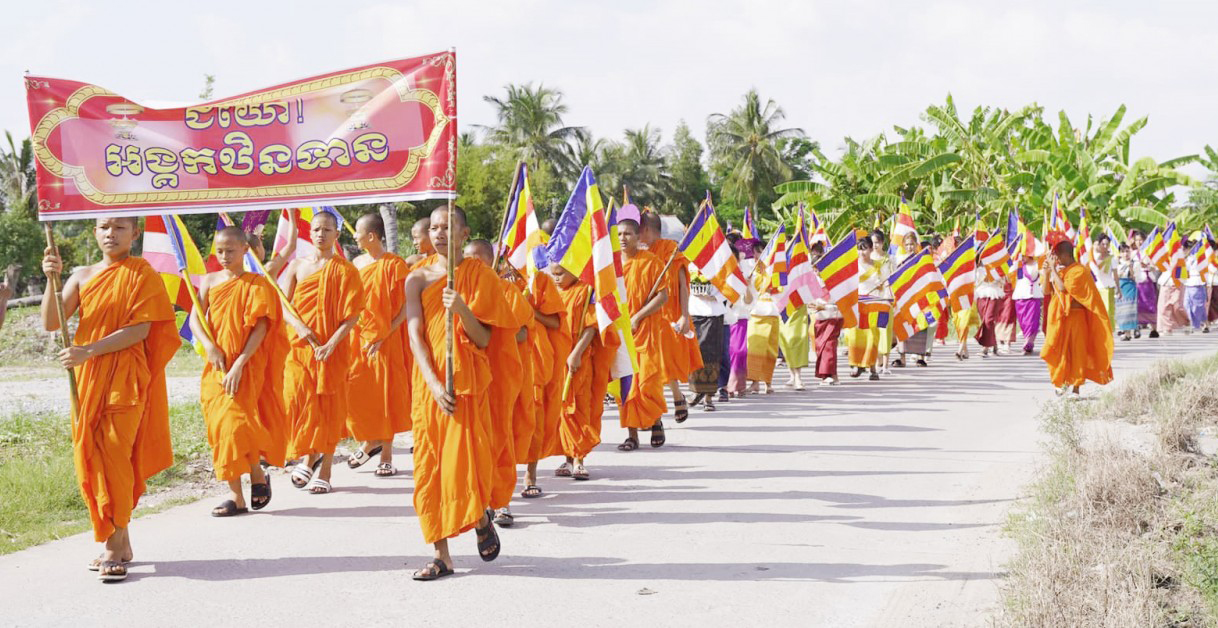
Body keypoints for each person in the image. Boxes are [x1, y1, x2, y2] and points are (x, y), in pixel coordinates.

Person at [40, 217, 179, 582]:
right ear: (94, 232)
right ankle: (122, 540)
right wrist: (50, 279)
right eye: (103, 227)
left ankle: (113, 547)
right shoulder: (82, 275)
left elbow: (142, 328)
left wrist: (91, 350)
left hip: (124, 378)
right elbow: (53, 322)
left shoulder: (141, 273)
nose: (110, 234)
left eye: (119, 228)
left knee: (115, 454)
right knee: (93, 454)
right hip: (87, 381)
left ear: (135, 233)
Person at [404, 206, 517, 580]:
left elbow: (485, 339)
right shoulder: (416, 279)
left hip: (467, 383)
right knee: (431, 466)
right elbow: (415, 337)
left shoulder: (479, 276)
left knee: (463, 464)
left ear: (464, 233)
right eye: (434, 228)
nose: (439, 234)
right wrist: (434, 384)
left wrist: (463, 308)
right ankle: (442, 556)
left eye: (448, 228)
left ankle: (480, 514)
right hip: (430, 385)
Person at [191, 226, 288, 517]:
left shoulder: (258, 284)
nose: (224, 256)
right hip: (217, 363)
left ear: (245, 250)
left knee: (238, 423)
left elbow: (262, 327)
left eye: (230, 251)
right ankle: (238, 494)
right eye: (219, 251)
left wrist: (240, 363)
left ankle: (254, 474)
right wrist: (209, 346)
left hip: (246, 363)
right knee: (222, 427)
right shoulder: (208, 281)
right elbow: (196, 319)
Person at [281, 211, 363, 494]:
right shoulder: (297, 267)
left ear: (336, 235)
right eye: (316, 229)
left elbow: (352, 315)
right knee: (299, 400)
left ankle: (325, 469)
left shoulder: (345, 270)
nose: (321, 234)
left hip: (333, 350)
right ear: (310, 232)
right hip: (301, 350)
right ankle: (308, 455)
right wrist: (299, 326)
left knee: (329, 408)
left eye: (327, 230)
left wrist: (332, 344)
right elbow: (283, 304)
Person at [463, 239, 532, 527]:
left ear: (492, 262)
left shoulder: (508, 293)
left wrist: (493, 327)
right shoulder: (454, 293)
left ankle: (502, 502)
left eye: (478, 260)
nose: (472, 266)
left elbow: (522, 334)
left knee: (500, 439)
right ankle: (477, 502)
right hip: (467, 377)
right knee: (473, 444)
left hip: (499, 378)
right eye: (468, 260)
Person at [345, 214, 411, 478]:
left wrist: (385, 333)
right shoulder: (357, 263)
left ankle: (386, 455)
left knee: (386, 393)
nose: (354, 236)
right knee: (359, 390)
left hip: (387, 338)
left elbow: (406, 306)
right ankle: (369, 440)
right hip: (358, 336)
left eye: (358, 232)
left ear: (371, 236)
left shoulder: (395, 265)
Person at [552, 262, 613, 480]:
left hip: (579, 359)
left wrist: (576, 353)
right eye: (553, 275)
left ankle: (579, 459)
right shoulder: (553, 293)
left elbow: (591, 327)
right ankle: (567, 458)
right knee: (561, 408)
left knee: (579, 406)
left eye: (560, 274)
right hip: (557, 359)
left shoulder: (584, 291)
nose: (557, 279)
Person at [639, 212, 702, 422]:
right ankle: (658, 409)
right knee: (650, 363)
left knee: (666, 360)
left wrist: (684, 315)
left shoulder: (670, 250)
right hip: (647, 313)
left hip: (670, 314)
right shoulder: (640, 253)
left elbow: (683, 285)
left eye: (638, 231)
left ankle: (677, 397)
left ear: (646, 230)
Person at [616, 218, 670, 451]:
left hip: (645, 331)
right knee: (626, 385)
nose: (622, 238)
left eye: (628, 234)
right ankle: (632, 435)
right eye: (619, 234)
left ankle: (656, 420)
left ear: (639, 237)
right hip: (621, 335)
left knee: (647, 383)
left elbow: (662, 295)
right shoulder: (612, 267)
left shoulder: (651, 262)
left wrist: (638, 317)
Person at [1040, 231, 1113, 397]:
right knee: (1057, 350)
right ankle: (1061, 382)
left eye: (1056, 256)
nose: (1055, 260)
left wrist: (1053, 269)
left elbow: (1065, 289)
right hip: (1059, 319)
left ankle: (1076, 387)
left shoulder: (1079, 271)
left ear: (1064, 256)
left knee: (1077, 351)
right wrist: (1046, 273)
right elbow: (1046, 291)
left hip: (1076, 317)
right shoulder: (1061, 271)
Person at [848, 233, 892, 380]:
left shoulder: (879, 266)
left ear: (871, 249)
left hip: (873, 304)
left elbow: (887, 283)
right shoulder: (853, 266)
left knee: (872, 336)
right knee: (856, 336)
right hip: (858, 305)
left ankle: (872, 368)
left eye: (865, 249)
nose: (862, 252)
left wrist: (881, 286)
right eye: (859, 249)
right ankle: (857, 365)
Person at [892, 233, 934, 368]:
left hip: (919, 297)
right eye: (907, 244)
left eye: (912, 244)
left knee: (921, 324)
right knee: (903, 326)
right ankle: (902, 357)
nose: (910, 247)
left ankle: (921, 357)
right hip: (904, 298)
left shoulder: (921, 259)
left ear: (916, 245)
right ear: (904, 245)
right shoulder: (900, 261)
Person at [688, 277, 727, 409]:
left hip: (714, 314)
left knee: (713, 356)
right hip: (693, 312)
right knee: (694, 353)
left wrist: (713, 297)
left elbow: (731, 286)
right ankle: (696, 390)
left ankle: (708, 397)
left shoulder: (722, 262)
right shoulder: (690, 263)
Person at [808, 242, 842, 384]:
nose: (818, 273)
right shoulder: (811, 283)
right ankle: (825, 374)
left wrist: (826, 306)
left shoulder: (833, 280)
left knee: (829, 346)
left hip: (833, 316)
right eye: (815, 270)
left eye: (820, 269)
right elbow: (809, 301)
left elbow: (839, 299)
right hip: (819, 318)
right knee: (821, 346)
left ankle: (832, 375)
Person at [1129, 229, 1158, 338]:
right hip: (1136, 281)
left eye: (1141, 240)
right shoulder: (1132, 254)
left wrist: (1148, 266)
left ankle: (1154, 329)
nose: (1139, 242)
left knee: (1150, 304)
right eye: (1137, 240)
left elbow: (1156, 267)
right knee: (1136, 305)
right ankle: (1136, 328)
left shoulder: (1150, 252)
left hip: (1148, 281)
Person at [1012, 254, 1043, 354]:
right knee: (1023, 321)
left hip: (1033, 296)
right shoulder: (1018, 264)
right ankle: (1028, 340)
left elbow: (1044, 274)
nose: (1022, 257)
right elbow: (1009, 271)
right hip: (1020, 295)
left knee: (1032, 321)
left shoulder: (1038, 264)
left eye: (1024, 255)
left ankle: (1028, 343)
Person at [974, 268, 1006, 358]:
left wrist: (994, 276)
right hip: (981, 294)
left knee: (989, 320)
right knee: (985, 322)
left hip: (994, 293)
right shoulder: (976, 265)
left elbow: (1002, 281)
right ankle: (994, 345)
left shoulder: (997, 262)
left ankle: (985, 348)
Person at [1157, 246, 1188, 335]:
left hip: (1177, 283)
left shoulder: (1179, 253)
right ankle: (1167, 328)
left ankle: (1186, 322)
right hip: (1166, 283)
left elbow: (1182, 270)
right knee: (1163, 307)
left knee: (1177, 307)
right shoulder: (1163, 250)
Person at [1090, 235, 1118, 333]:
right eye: (1103, 244)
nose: (1105, 246)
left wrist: (1118, 288)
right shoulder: (1094, 259)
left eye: (1107, 244)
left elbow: (1115, 274)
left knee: (1108, 310)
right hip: (1098, 287)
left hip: (1108, 287)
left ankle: (1109, 330)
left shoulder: (1112, 259)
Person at [1183, 237, 1211, 333]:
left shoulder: (1198, 257)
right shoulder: (1186, 259)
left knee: (1197, 306)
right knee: (1187, 305)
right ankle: (1203, 323)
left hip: (1197, 282)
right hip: (1188, 283)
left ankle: (1197, 324)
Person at [1115, 243, 1139, 341]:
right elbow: (1114, 276)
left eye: (1127, 251)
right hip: (1120, 286)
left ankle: (1129, 332)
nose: (1125, 254)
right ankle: (1124, 331)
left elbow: (1135, 277)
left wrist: (1130, 268)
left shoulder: (1134, 263)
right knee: (1121, 310)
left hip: (1130, 286)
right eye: (1123, 252)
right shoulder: (1117, 263)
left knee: (1129, 309)